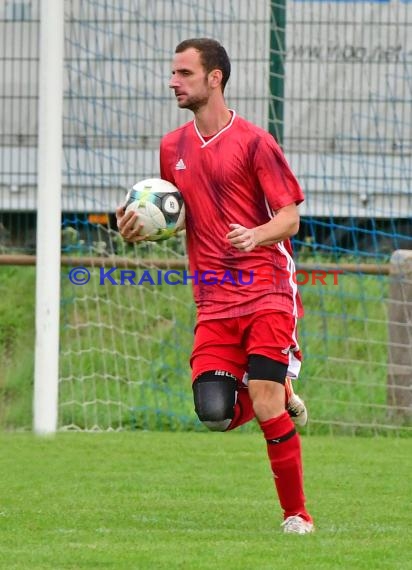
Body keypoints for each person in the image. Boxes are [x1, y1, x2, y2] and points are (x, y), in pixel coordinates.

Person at [116, 38, 314, 534]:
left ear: (214, 78)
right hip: (214, 298)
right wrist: (139, 228)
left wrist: (255, 234)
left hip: (267, 287)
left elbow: (289, 218)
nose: (173, 82)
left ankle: (297, 515)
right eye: (173, 73)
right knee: (214, 415)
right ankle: (279, 385)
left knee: (264, 401)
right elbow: (182, 216)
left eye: (183, 73)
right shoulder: (171, 147)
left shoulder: (254, 142)